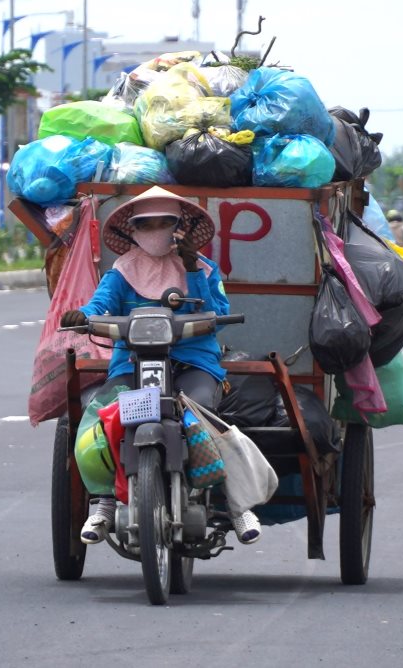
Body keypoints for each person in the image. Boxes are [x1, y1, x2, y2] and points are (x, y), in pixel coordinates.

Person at [58, 186, 262, 546]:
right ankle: (104, 500)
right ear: (133, 230)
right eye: (145, 224)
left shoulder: (203, 269)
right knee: (101, 418)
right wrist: (83, 316)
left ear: (179, 228)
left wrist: (190, 266)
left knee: (206, 417)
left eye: (163, 223)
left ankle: (236, 503)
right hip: (132, 363)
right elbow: (99, 305)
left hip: (193, 362)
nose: (154, 231)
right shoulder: (122, 271)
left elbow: (220, 312)